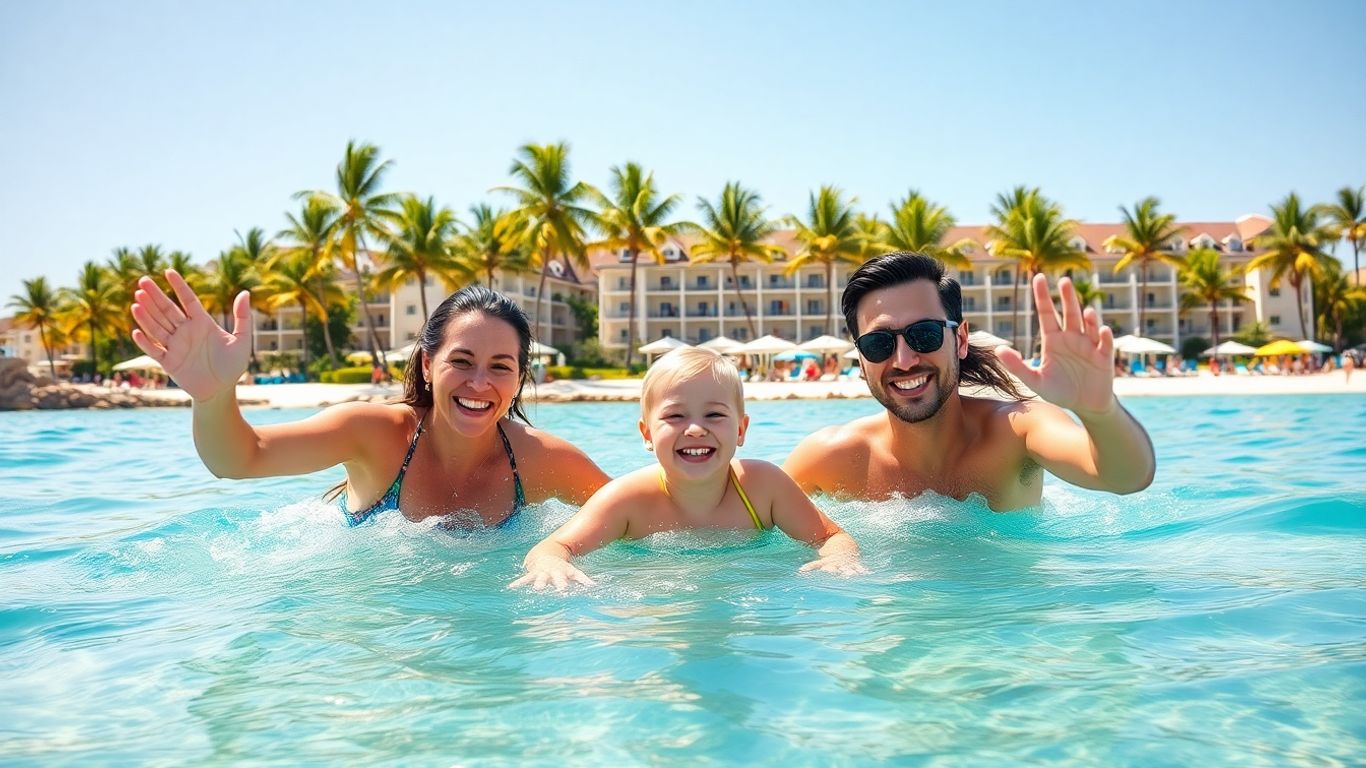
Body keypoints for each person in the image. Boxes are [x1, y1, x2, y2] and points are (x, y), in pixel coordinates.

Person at [130, 271, 609, 527]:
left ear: (519, 377)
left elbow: (642, 513)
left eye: (500, 367)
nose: (479, 382)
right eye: (461, 361)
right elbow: (241, 459)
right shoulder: (373, 434)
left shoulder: (540, 460)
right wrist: (214, 396)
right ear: (427, 364)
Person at [784, 251, 1155, 512]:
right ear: (862, 358)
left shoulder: (1018, 432)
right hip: (892, 624)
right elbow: (747, 524)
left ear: (960, 339)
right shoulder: (830, 459)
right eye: (879, 344)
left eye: (924, 334)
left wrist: (1098, 412)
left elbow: (1126, 478)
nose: (904, 360)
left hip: (1009, 620)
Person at [511, 347, 864, 590]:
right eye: (675, 416)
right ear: (647, 434)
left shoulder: (763, 488)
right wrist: (552, 565)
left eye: (714, 415)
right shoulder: (628, 500)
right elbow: (552, 547)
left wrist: (839, 560)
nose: (695, 429)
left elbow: (832, 536)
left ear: (740, 430)